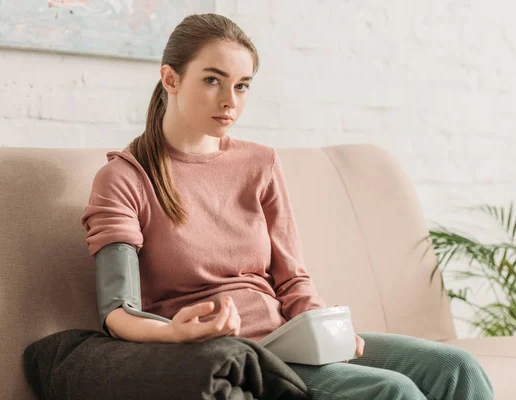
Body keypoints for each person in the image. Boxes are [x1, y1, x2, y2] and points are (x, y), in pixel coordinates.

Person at [81, 13, 494, 400]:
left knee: (456, 367)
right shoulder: (125, 179)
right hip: (237, 358)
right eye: (213, 80)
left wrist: (324, 330)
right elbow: (118, 312)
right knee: (391, 392)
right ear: (170, 78)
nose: (230, 100)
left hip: (290, 337)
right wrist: (175, 334)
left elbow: (292, 278)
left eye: (242, 85)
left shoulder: (259, 163)